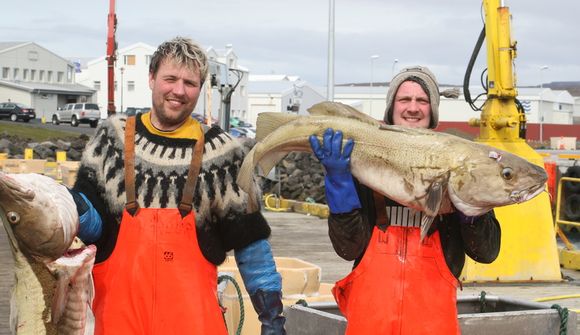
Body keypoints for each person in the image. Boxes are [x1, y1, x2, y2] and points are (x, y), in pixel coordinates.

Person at [68, 36, 286, 335]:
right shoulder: (112, 139)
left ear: (201, 88)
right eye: (170, 78)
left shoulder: (222, 152)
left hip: (193, 323)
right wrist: (74, 208)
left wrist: (271, 316)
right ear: (151, 78)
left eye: (190, 83)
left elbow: (251, 246)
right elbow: (94, 228)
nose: (179, 91)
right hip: (118, 322)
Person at [309, 66, 501, 334]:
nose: (413, 108)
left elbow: (486, 252)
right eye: (404, 100)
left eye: (422, 101)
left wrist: (473, 211)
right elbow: (348, 249)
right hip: (370, 320)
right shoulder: (365, 167)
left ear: (432, 110)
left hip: (432, 322)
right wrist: (340, 183)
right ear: (392, 107)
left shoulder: (459, 164)